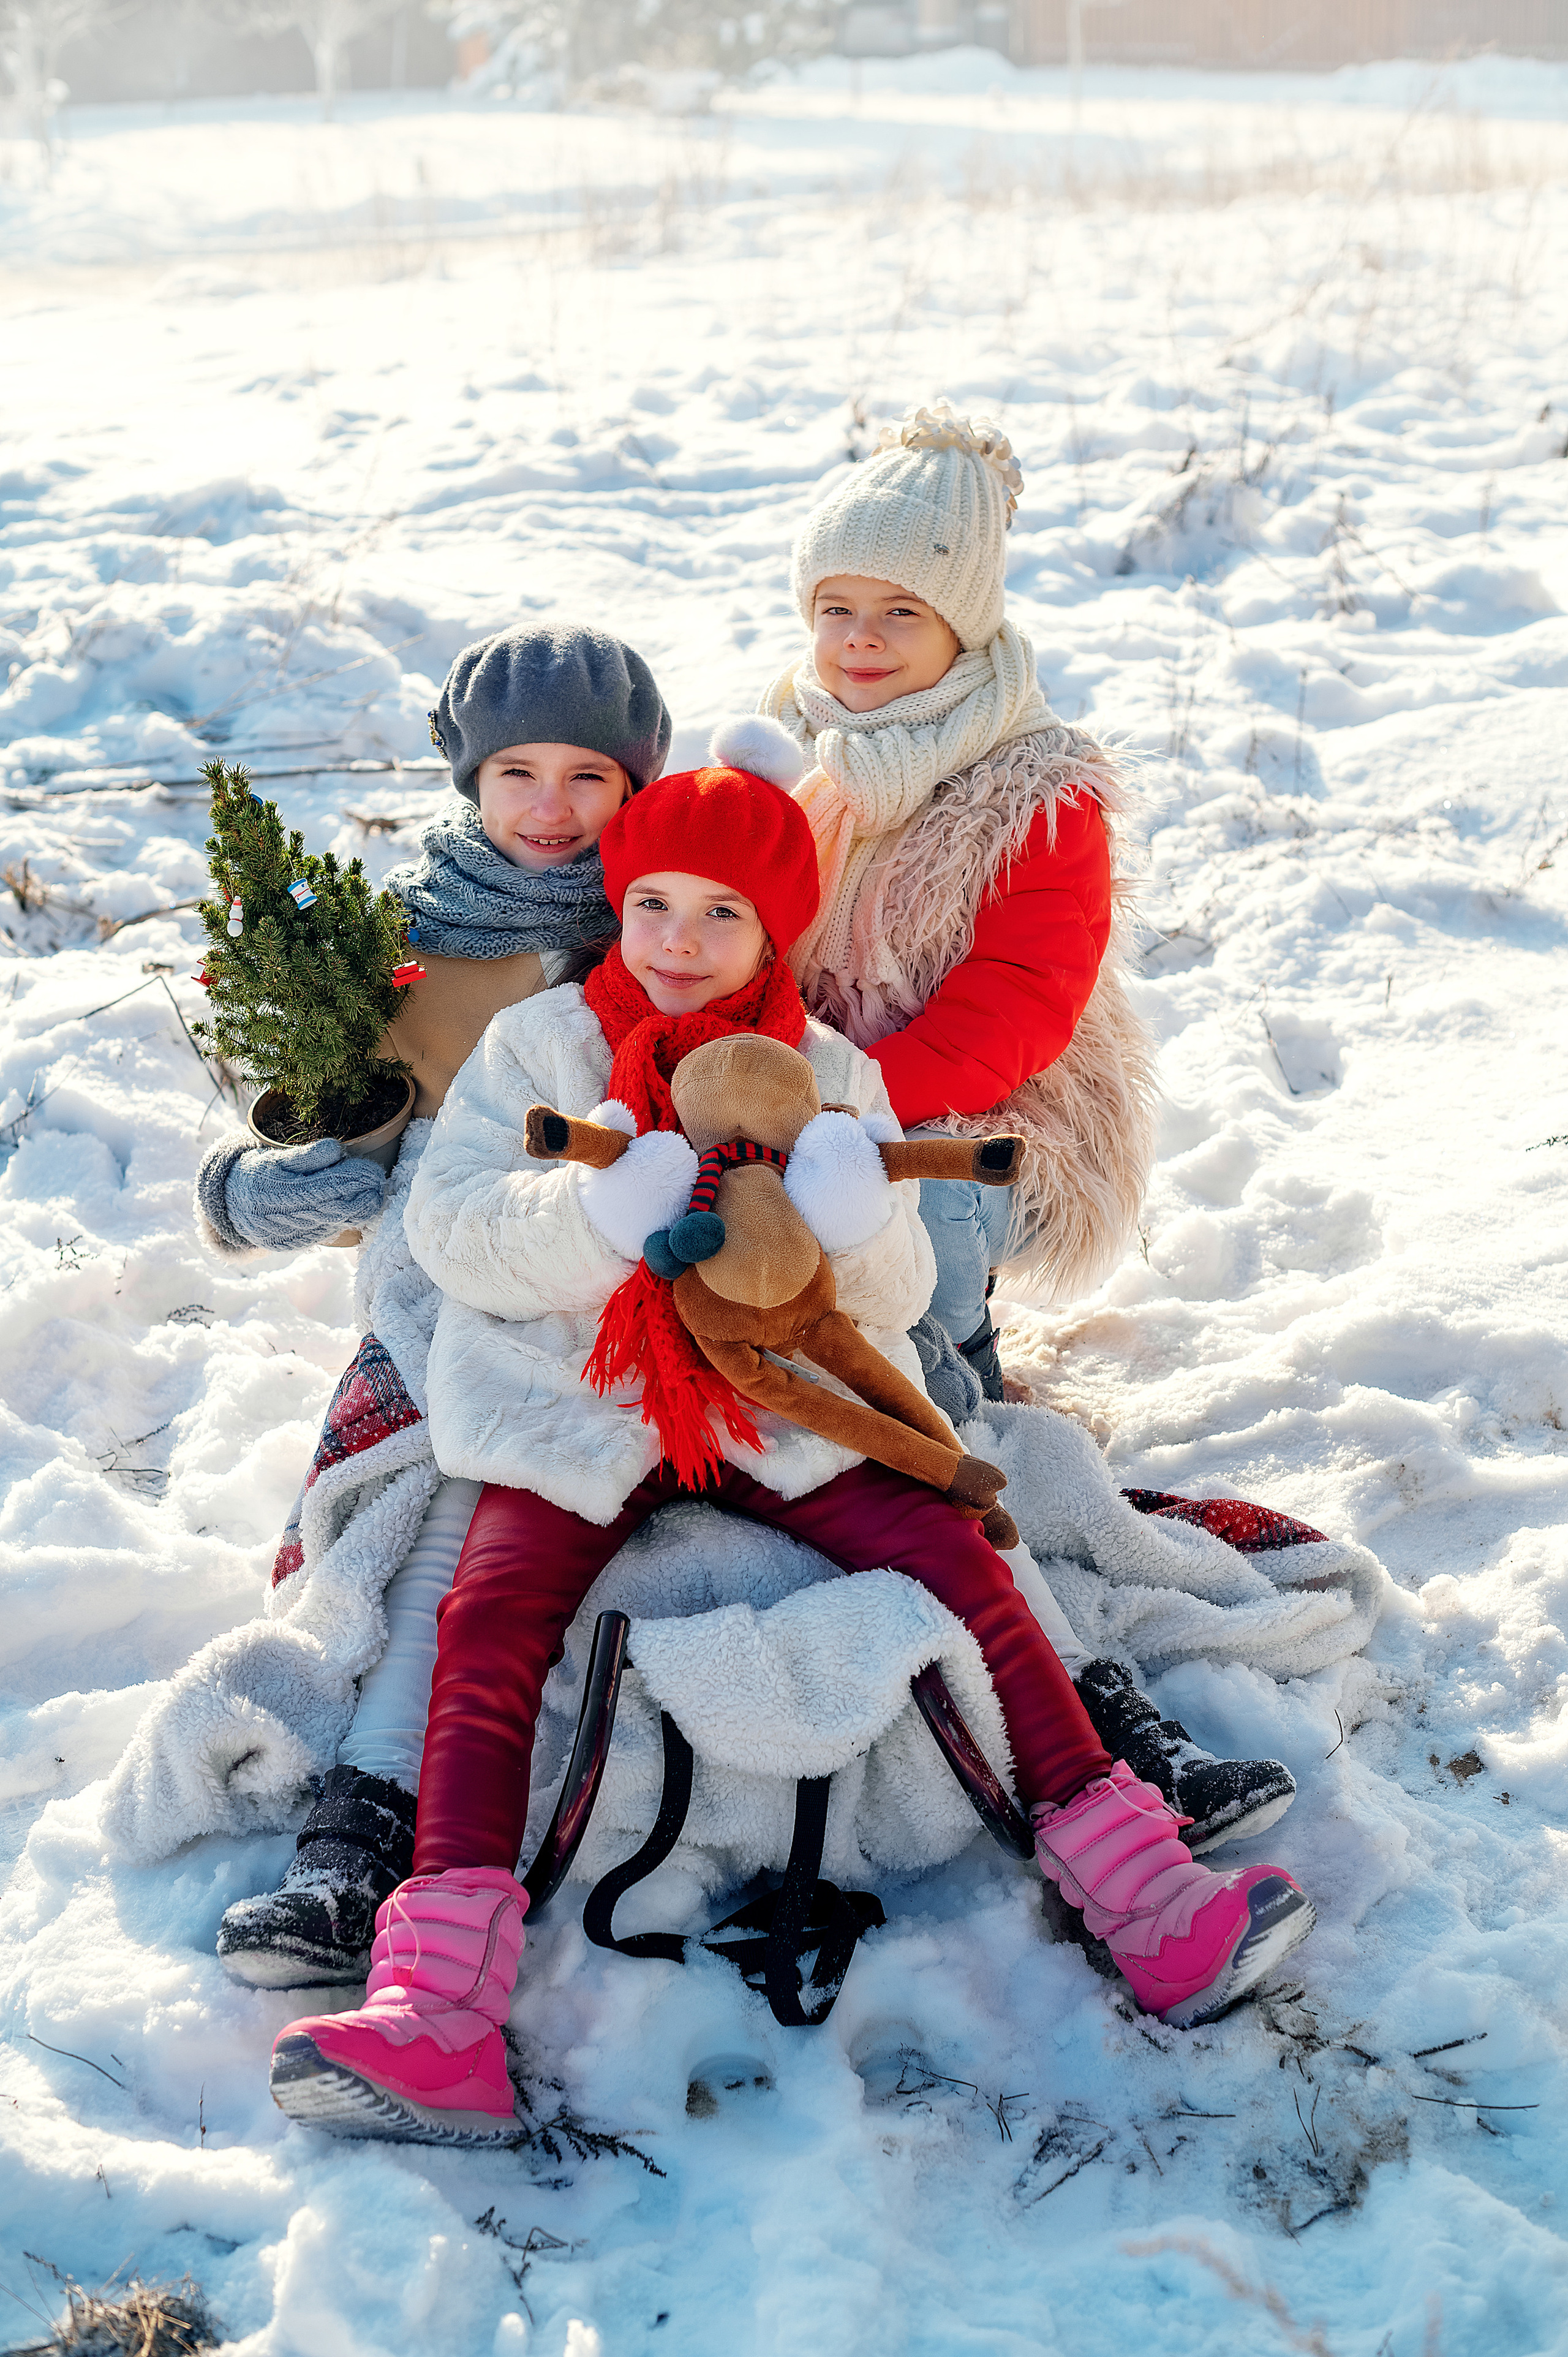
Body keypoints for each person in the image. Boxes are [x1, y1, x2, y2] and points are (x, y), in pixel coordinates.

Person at [266, 746, 1315, 2144]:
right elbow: (454, 1228)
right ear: (617, 909)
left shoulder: (824, 1071)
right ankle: (438, 2009)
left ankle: (1147, 1903)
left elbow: (882, 1304)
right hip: (576, 1394)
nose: (679, 944)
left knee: (960, 1560)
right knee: (487, 1621)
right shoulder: (546, 1046)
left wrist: (852, 1217)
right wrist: (591, 1216)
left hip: (772, 1404)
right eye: (652, 907)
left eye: (720, 917)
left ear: (773, 935)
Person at [756, 402, 1295, 1846]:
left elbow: (1014, 1008)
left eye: (898, 611)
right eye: (833, 608)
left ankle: (1074, 1671)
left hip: (980, 1111)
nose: (858, 642)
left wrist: (850, 1116)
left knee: (909, 1270)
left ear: (968, 618)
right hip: (803, 1098)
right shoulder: (789, 756)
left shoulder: (1031, 792)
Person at [192, 622, 672, 1987]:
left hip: (596, 1278)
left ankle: (374, 1827)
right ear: (465, 777)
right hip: (432, 1277)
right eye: (515, 768)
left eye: (590, 775)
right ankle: (357, 1844)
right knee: (425, 1501)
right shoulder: (394, 948)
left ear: (638, 786)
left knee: (479, 1496)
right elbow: (339, 1124)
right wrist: (264, 1187)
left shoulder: (658, 926)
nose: (550, 806)